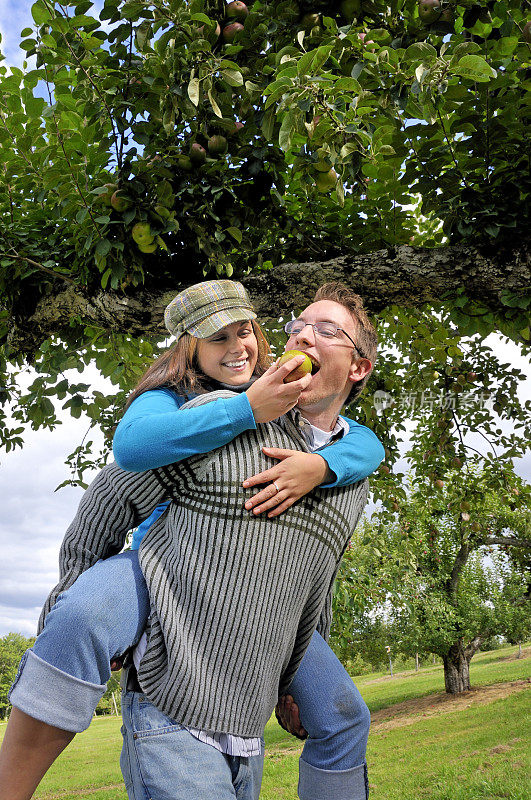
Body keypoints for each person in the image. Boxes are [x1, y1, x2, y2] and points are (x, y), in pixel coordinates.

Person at [0, 281, 382, 800]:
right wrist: (246, 410)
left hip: (256, 628)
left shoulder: (349, 461)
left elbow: (314, 570)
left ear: (359, 367)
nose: (304, 335)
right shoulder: (208, 411)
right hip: (168, 572)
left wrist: (292, 666)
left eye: (326, 329)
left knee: (344, 718)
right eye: (298, 325)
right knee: (83, 614)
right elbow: (120, 476)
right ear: (189, 348)